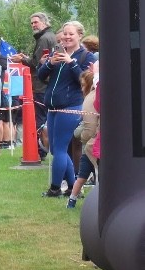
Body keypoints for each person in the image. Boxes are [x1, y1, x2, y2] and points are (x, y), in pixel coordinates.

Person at [37, 20, 96, 198]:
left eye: (71, 34)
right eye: (65, 33)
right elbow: (41, 76)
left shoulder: (86, 57)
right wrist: (49, 63)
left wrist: (71, 62)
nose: (67, 37)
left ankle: (55, 188)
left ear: (80, 35)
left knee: (61, 149)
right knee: (55, 150)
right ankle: (71, 187)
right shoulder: (57, 53)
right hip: (53, 108)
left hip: (70, 107)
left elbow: (85, 81)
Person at [11, 13, 57, 160]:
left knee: (39, 120)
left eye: (35, 22)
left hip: (41, 85)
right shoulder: (51, 36)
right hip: (47, 84)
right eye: (31, 23)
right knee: (45, 119)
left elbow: (37, 63)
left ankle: (38, 152)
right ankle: (41, 151)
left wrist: (22, 59)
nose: (33, 25)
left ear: (44, 22)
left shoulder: (44, 38)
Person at [66, 69, 98, 209]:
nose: (81, 88)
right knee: (82, 178)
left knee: (82, 178)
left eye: (83, 85)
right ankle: (72, 199)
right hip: (90, 149)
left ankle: (72, 200)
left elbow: (88, 129)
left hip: (91, 148)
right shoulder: (93, 99)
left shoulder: (90, 100)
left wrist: (81, 135)